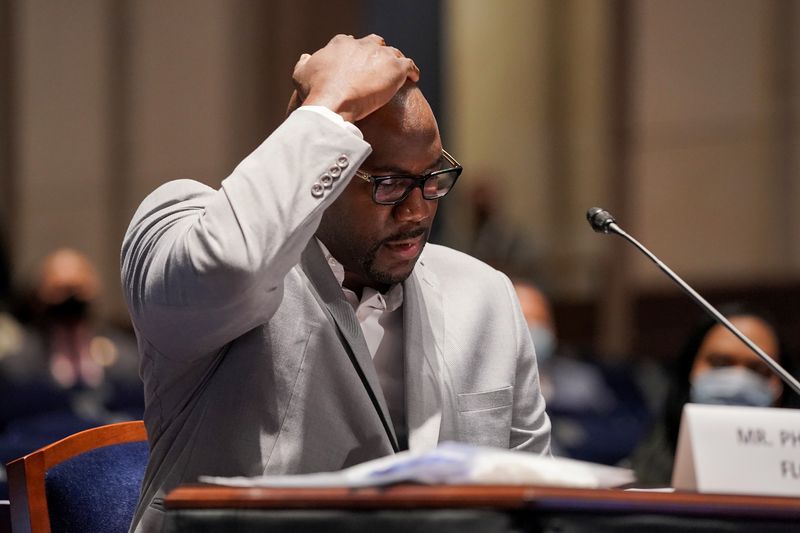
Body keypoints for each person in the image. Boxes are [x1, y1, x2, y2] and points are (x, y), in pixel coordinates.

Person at [122, 34, 551, 532]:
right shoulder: (179, 225)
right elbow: (231, 267)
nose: (416, 211)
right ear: (326, 162)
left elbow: (534, 502)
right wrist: (328, 105)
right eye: (388, 184)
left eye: (432, 178)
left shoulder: (486, 296)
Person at [628, 304, 795, 486]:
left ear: (782, 383)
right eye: (720, 363)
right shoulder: (639, 473)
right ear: (689, 368)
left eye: (758, 369)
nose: (738, 380)